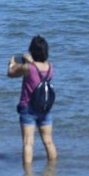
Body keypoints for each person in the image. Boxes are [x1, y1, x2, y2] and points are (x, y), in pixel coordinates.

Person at [7, 35, 57, 166]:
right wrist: (29, 61)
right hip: (45, 108)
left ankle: (28, 174)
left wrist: (11, 63)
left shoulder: (28, 67)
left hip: (28, 108)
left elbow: (11, 73)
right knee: (49, 141)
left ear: (32, 51)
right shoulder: (50, 67)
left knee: (28, 142)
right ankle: (52, 169)